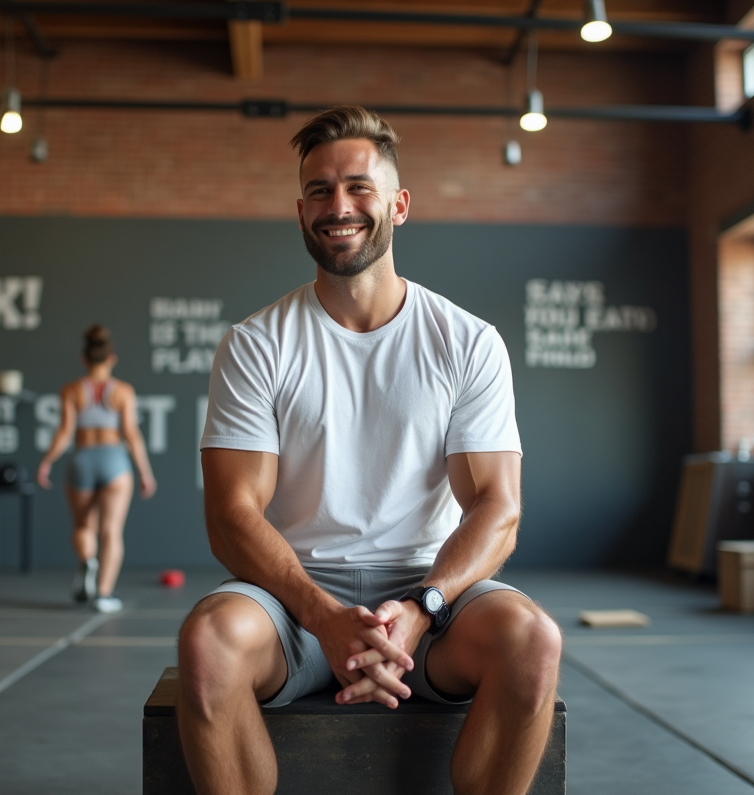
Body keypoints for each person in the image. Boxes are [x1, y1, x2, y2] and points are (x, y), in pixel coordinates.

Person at [178, 105, 562, 795]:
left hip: (431, 594)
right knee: (208, 643)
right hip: (292, 601)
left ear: (399, 204)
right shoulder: (256, 343)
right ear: (301, 212)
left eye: (358, 186)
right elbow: (232, 514)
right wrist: (322, 615)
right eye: (320, 191)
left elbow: (497, 508)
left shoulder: (467, 341)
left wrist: (421, 610)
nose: (339, 205)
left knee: (533, 639)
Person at [38, 325, 156, 613]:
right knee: (111, 531)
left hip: (82, 460)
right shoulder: (123, 391)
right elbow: (131, 434)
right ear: (111, 359)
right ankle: (103, 594)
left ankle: (88, 560)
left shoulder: (72, 390)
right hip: (114, 460)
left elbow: (65, 432)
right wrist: (145, 472)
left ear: (84, 359)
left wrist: (47, 461)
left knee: (83, 526)